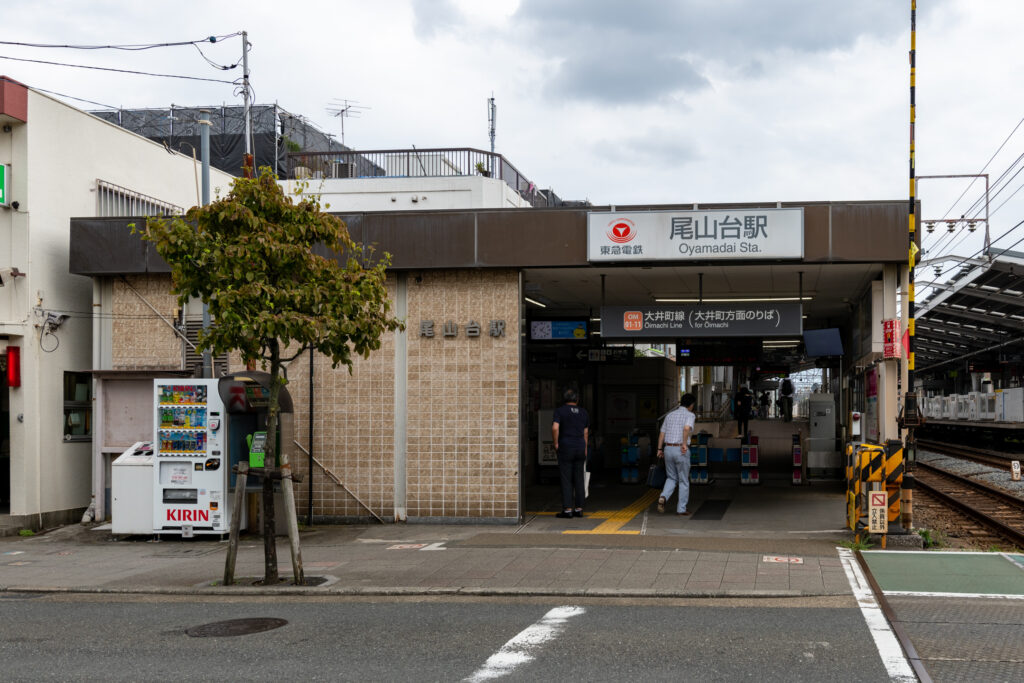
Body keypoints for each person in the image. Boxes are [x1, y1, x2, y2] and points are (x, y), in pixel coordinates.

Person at [656, 393, 697, 516]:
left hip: (668, 449)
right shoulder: (690, 415)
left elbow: (662, 434)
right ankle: (681, 509)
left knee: (671, 477)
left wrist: (659, 449)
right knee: (683, 480)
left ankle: (663, 496)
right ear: (691, 405)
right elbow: (686, 429)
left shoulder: (670, 415)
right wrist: (684, 444)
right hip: (680, 450)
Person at [552, 389, 589, 519]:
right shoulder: (584, 412)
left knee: (566, 479)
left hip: (566, 447)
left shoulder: (560, 411)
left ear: (564, 399)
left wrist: (556, 443)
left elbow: (555, 428)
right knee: (579, 479)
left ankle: (567, 510)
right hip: (580, 447)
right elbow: (585, 433)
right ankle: (579, 509)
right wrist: (585, 448)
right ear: (577, 399)